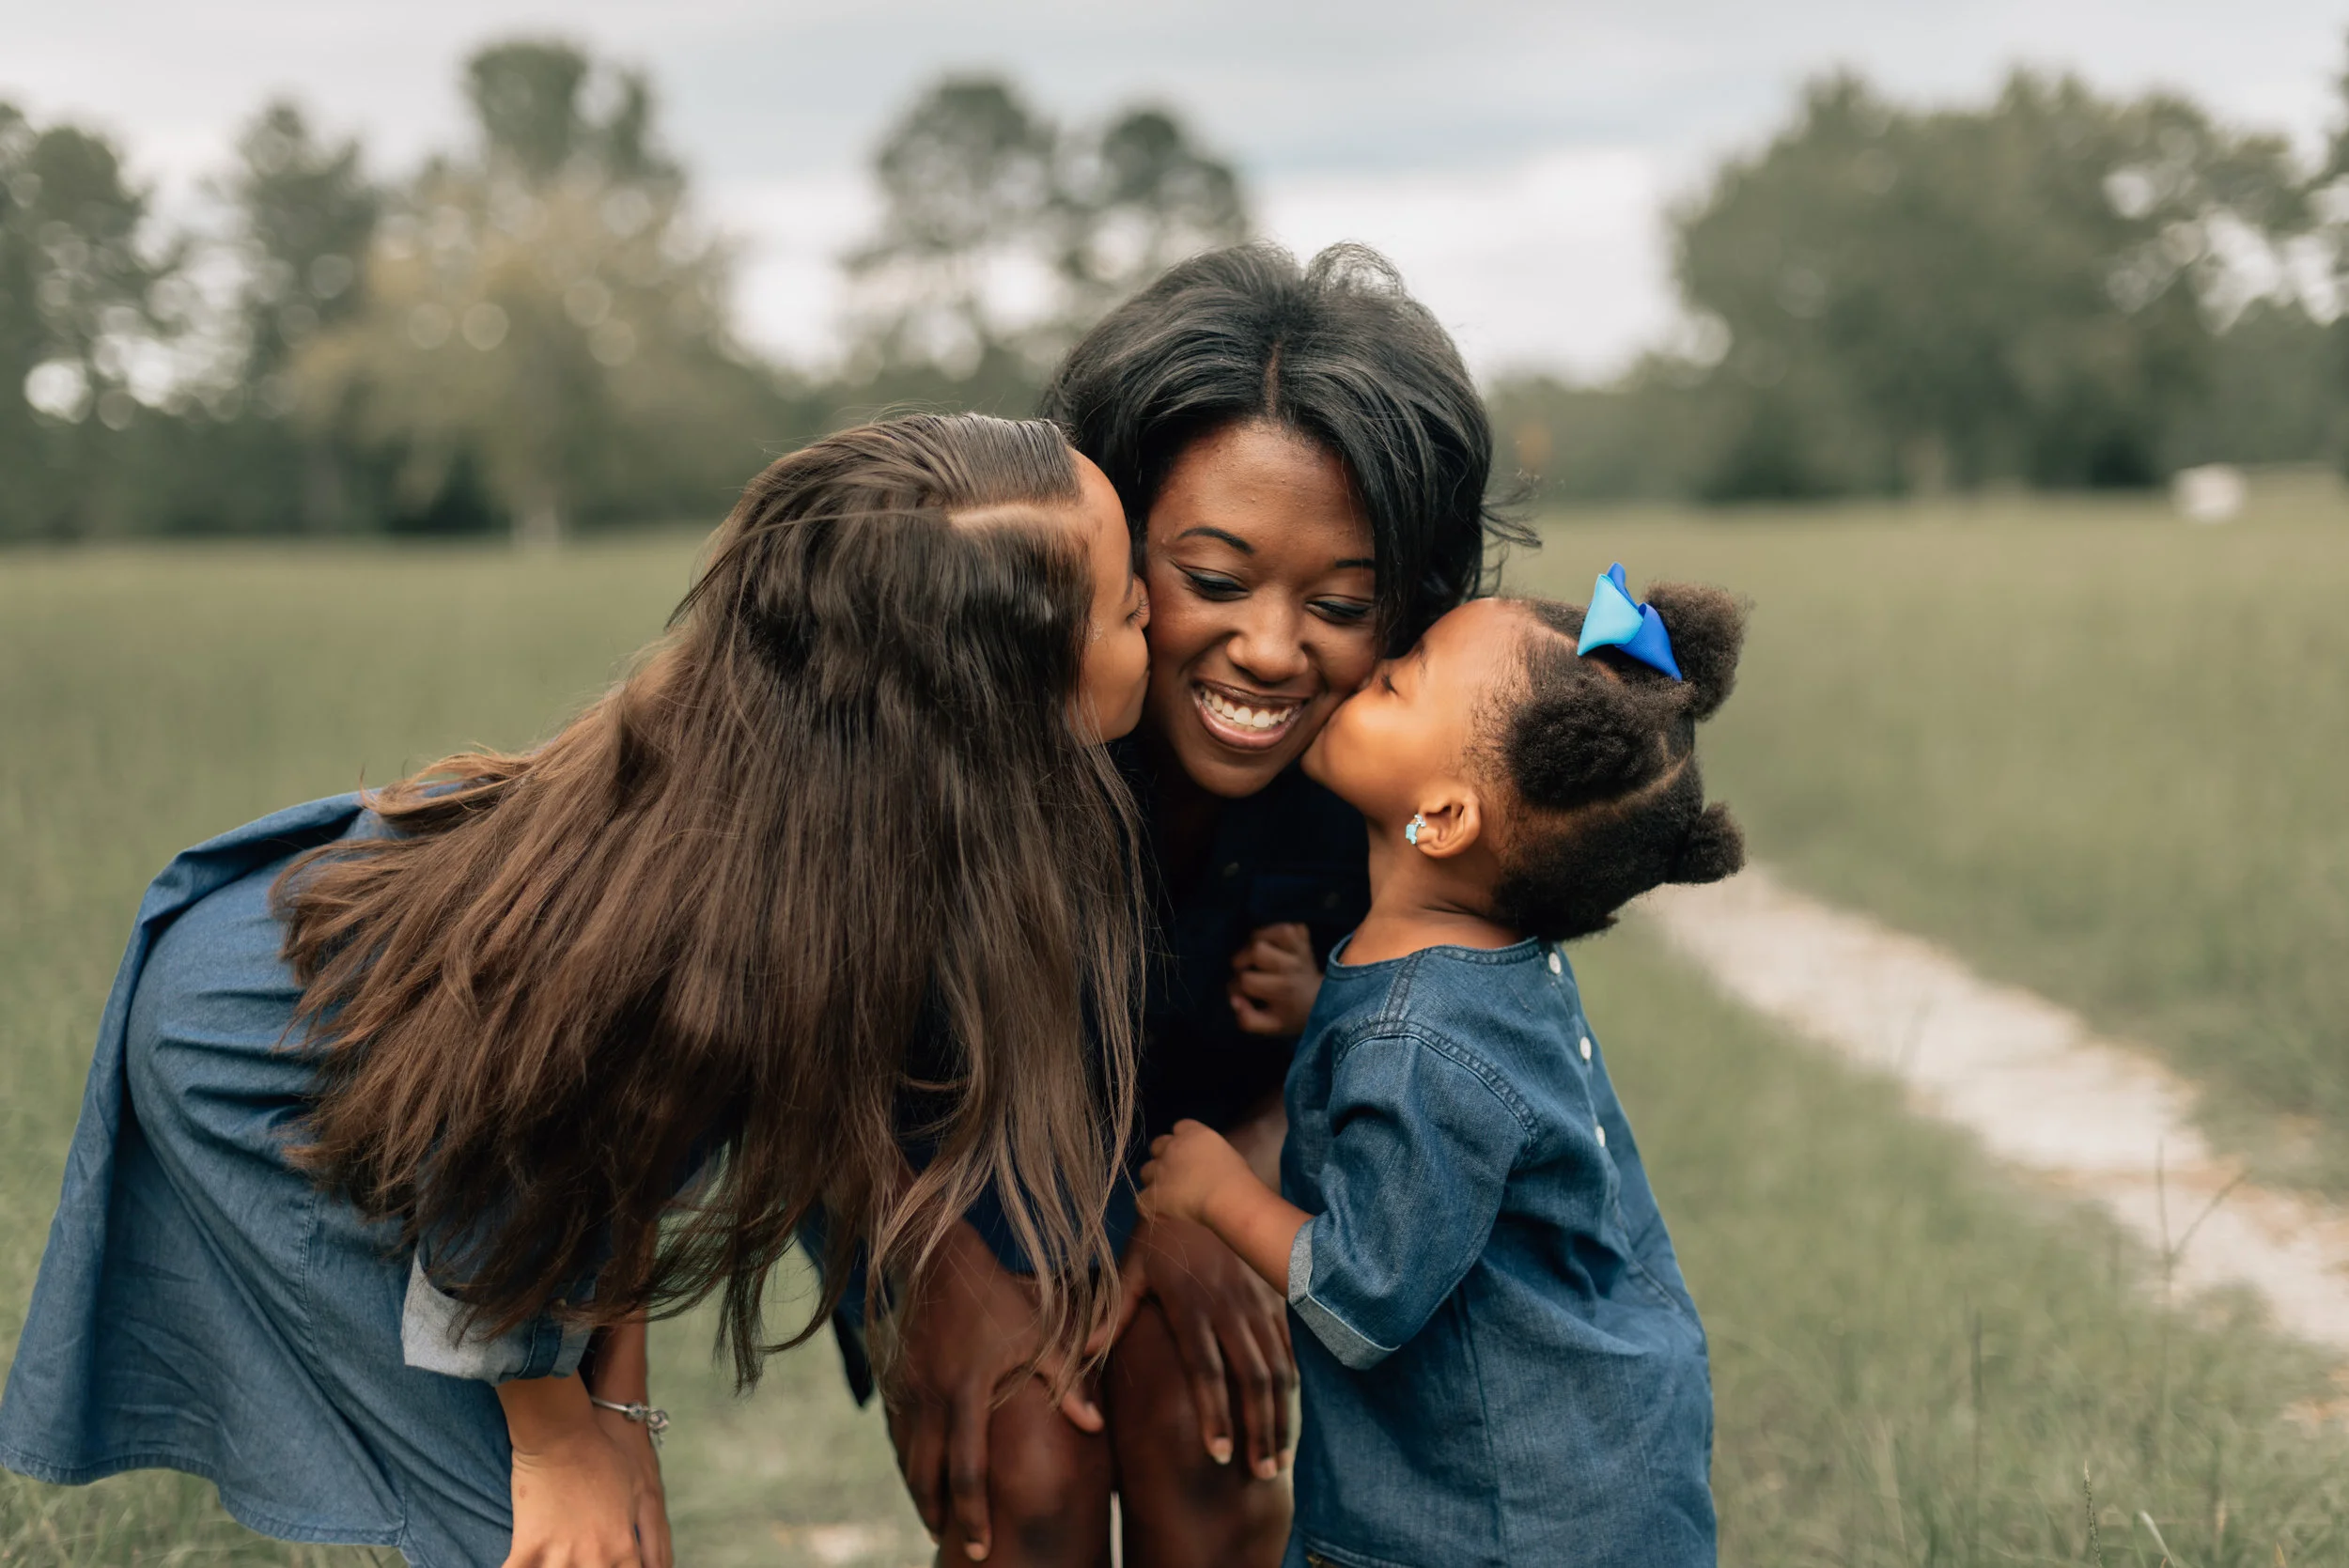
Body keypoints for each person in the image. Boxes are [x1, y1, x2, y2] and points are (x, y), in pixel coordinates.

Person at [0, 414, 1155, 1568]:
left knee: (607, 1491)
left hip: (457, 1092)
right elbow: (507, 1155)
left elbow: (623, 1155)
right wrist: (558, 1434)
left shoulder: (832, 829)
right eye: (1129, 605)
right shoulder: (726, 907)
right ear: (1009, 698)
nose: (1155, 602)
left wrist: (620, 1407)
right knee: (538, 1532)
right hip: (270, 1056)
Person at [863, 243, 1529, 1567]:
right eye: (1212, 582)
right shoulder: (971, 726)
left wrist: (1223, 1199)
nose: (1274, 650)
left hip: (1246, 1163)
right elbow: (825, 1033)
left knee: (1205, 1443)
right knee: (1028, 1469)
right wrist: (928, 1256)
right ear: (1101, 545)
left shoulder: (1399, 764)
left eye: (1339, 603)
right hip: (956, 1171)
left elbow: (1425, 1035)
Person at [1139, 574, 1749, 1568]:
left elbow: (1364, 1292)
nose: (1368, 671)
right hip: (1593, 1450)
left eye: (1399, 685)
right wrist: (1322, 1016)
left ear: (1444, 817)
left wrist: (1217, 1194)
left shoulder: (1417, 1042)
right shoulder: (1483, 968)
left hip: (1486, 1514)